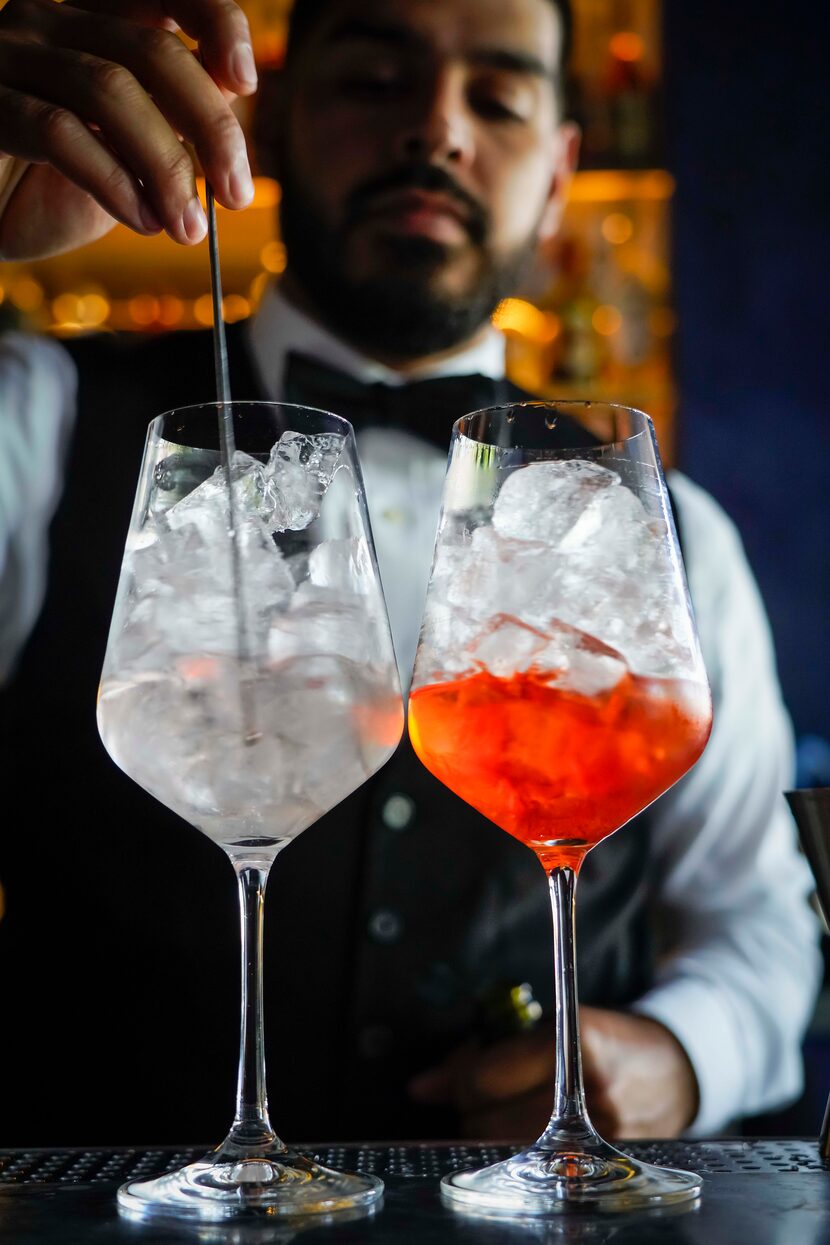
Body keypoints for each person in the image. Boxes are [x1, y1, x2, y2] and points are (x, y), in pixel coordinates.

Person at [0, 0, 820, 1147]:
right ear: (272, 121)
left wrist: (681, 1053)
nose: (436, 129)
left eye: (497, 96)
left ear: (558, 171)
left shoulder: (676, 535)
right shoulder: (37, 420)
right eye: (376, 79)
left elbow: (760, 921)